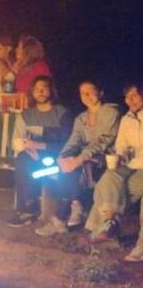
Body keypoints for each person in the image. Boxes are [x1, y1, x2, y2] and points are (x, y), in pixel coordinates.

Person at [35, 81, 119, 235]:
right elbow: (74, 140)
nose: (86, 96)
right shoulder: (81, 118)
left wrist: (78, 159)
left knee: (73, 166)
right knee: (64, 165)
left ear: (100, 93)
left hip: (105, 158)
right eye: (82, 93)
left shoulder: (110, 112)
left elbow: (105, 140)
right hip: (84, 158)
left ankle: (63, 215)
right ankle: (74, 207)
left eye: (90, 91)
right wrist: (63, 157)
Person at [83, 83, 143, 261]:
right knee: (109, 177)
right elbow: (121, 145)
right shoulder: (127, 119)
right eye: (127, 97)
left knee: (120, 191)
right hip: (131, 164)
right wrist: (120, 155)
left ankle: (106, 229)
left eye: (134, 96)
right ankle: (110, 222)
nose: (129, 100)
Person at [6, 76, 73, 228]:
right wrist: (27, 148)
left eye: (44, 88)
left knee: (34, 164)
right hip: (32, 157)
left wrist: (38, 145)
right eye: (36, 89)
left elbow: (67, 144)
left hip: (56, 160)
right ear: (32, 93)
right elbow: (16, 142)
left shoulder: (62, 114)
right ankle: (27, 209)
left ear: (51, 90)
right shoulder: (26, 115)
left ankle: (60, 208)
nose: (40, 92)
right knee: (23, 159)